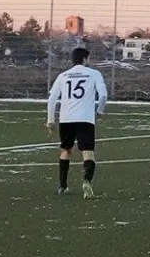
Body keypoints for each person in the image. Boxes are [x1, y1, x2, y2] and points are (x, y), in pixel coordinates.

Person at [46, 47, 108, 199]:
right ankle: (87, 181)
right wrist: (100, 111)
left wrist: (50, 120)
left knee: (65, 150)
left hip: (66, 118)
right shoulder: (94, 74)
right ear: (85, 59)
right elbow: (104, 95)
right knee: (87, 152)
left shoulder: (63, 76)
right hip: (85, 118)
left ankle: (63, 186)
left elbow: (52, 99)